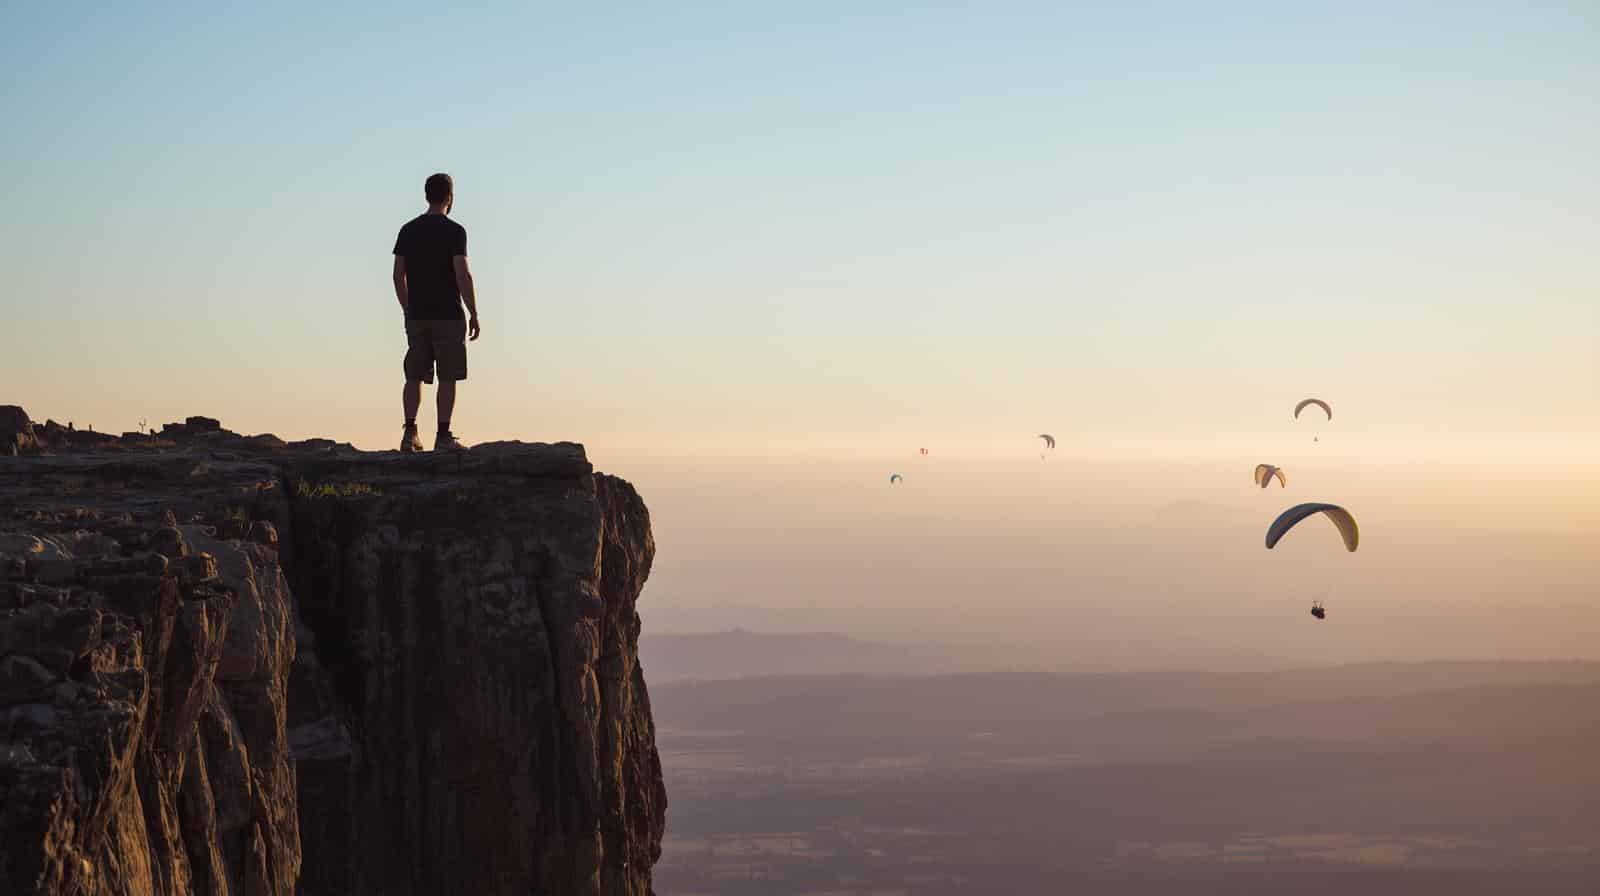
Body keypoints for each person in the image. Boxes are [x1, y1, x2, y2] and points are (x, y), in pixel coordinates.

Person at [392, 172, 480, 452]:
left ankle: (410, 432)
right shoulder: (455, 232)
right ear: (450, 197)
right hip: (448, 314)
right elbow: (463, 274)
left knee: (414, 374)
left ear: (427, 195)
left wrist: (407, 307)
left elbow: (397, 275)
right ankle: (443, 436)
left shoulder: (408, 230)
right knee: (448, 375)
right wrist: (474, 312)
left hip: (417, 314)